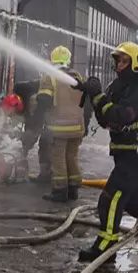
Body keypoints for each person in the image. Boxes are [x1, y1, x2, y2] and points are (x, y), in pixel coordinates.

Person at [76, 42, 138, 262]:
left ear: (136, 63)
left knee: (110, 198)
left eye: (124, 61)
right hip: (122, 150)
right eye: (118, 60)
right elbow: (104, 118)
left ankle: (106, 245)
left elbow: (123, 115)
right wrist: (93, 94)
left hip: (136, 153)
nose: (119, 65)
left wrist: (99, 97)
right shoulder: (118, 86)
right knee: (132, 201)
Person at [40, 45, 86, 202]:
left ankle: (59, 191)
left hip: (59, 128)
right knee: (72, 157)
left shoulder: (50, 76)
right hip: (77, 127)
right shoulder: (77, 76)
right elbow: (86, 104)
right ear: (68, 59)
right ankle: (73, 190)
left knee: (58, 158)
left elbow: (44, 101)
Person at [7, 79, 52, 182]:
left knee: (46, 141)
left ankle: (47, 174)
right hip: (45, 108)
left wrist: (26, 143)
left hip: (55, 114)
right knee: (34, 137)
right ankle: (47, 172)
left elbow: (34, 128)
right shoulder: (20, 95)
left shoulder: (34, 102)